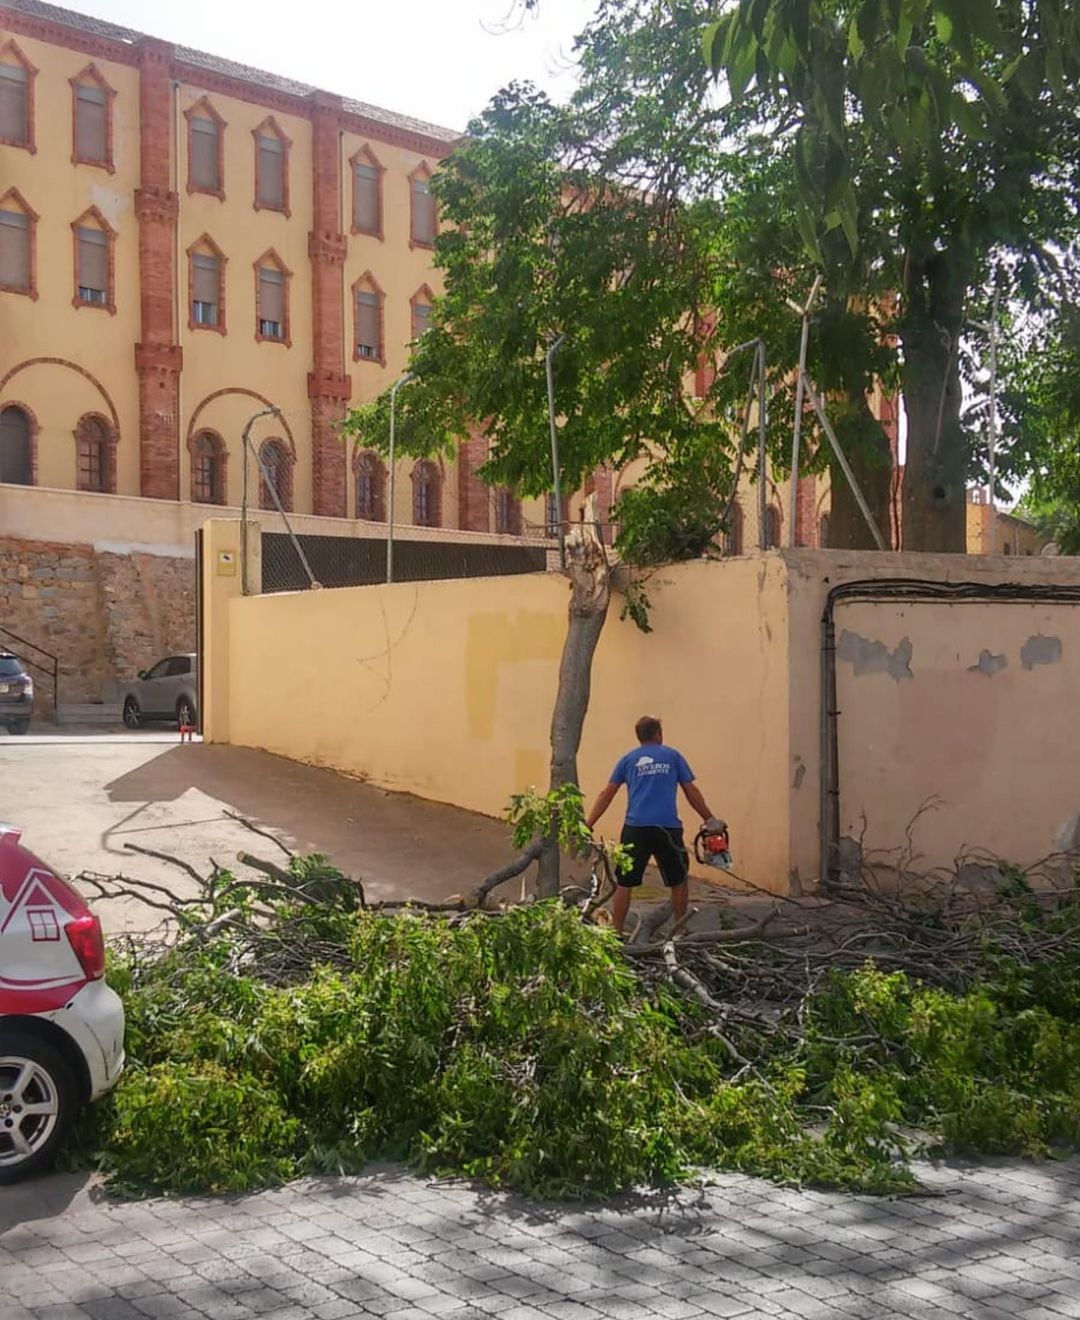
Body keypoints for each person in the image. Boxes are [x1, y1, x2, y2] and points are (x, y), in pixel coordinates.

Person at [585, 715, 720, 935]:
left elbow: (606, 793)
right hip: (667, 829)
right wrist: (709, 818)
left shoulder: (627, 760)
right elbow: (690, 791)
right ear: (659, 734)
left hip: (635, 829)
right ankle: (678, 931)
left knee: (624, 883)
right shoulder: (673, 756)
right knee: (678, 880)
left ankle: (616, 934)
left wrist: (589, 823)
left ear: (639, 737)